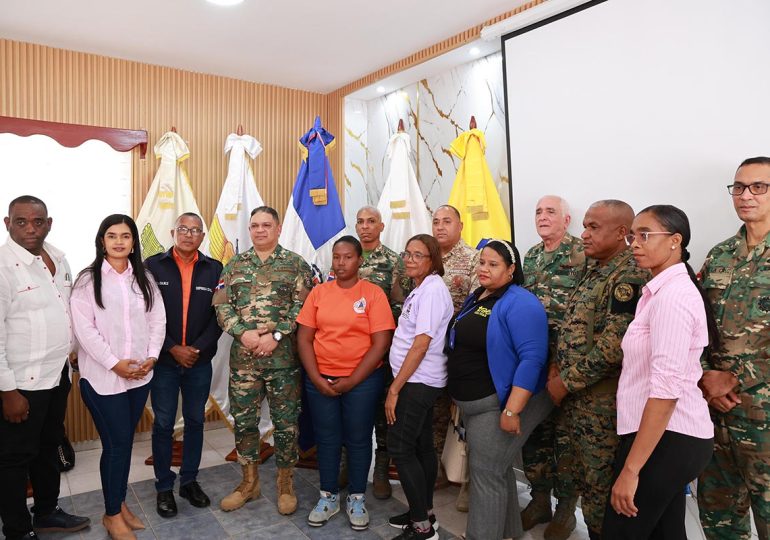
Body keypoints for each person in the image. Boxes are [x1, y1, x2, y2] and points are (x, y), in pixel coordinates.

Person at [602, 205, 715, 538]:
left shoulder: (673, 298)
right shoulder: (659, 292)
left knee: (620, 531)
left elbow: (666, 392)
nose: (635, 243)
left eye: (645, 235)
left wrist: (631, 469)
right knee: (666, 533)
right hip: (661, 434)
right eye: (632, 236)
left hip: (669, 437)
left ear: (674, 241)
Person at [545, 200, 648, 539]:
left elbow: (614, 347)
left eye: (593, 227)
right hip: (577, 400)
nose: (584, 235)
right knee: (584, 486)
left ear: (622, 233)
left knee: (602, 493)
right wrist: (558, 367)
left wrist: (565, 383)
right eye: (585, 226)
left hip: (603, 406)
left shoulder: (629, 275)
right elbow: (573, 325)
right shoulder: (594, 268)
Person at [447, 239, 552, 540]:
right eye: (482, 262)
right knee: (497, 469)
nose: (484, 269)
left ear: (511, 269)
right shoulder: (479, 295)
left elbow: (532, 359)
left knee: (487, 474)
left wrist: (512, 409)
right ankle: (510, 533)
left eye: (493, 264)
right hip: (475, 402)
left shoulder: (521, 302)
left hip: (499, 403)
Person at [70, 214, 165, 540]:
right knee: (117, 446)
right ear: (102, 241)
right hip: (102, 379)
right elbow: (85, 330)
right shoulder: (87, 281)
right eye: (112, 236)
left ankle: (119, 504)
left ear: (134, 242)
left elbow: (157, 321)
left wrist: (151, 357)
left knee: (121, 446)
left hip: (139, 377)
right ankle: (112, 515)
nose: (119, 241)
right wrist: (114, 363)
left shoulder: (145, 279)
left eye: (126, 236)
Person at [0, 195, 90, 540]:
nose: (30, 229)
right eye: (21, 222)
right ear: (8, 224)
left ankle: (47, 512)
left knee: (48, 446)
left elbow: (66, 311)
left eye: (37, 222)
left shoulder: (59, 258)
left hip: (57, 377)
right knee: (13, 459)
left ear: (48, 223)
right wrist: (8, 391)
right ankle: (18, 529)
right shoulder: (4, 266)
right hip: (21, 385)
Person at [214, 206, 312, 515]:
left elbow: (305, 306)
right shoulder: (234, 265)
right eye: (254, 225)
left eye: (266, 225)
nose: (259, 230)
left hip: (283, 360)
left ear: (278, 228)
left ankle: (285, 484)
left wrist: (278, 335)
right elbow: (221, 305)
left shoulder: (295, 264)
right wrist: (243, 333)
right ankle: (249, 483)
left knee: (285, 426)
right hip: (244, 361)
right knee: (245, 424)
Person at [297, 235, 395, 530]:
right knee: (326, 438)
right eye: (336, 257)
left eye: (347, 257)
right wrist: (316, 378)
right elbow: (304, 338)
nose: (340, 263)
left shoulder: (373, 294)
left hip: (362, 381)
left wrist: (351, 380)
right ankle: (328, 496)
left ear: (359, 261)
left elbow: (381, 343)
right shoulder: (319, 293)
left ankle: (355, 497)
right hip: (320, 379)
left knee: (358, 438)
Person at [698, 156, 770, 540]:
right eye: (739, 187)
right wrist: (706, 376)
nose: (746, 195)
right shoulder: (720, 254)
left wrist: (735, 379)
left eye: (759, 186)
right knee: (719, 518)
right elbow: (697, 323)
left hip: (764, 417)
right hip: (714, 414)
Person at [145, 212, 223, 518]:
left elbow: (221, 316)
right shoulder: (152, 266)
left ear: (202, 237)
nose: (189, 234)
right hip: (164, 361)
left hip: (199, 362)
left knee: (195, 422)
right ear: (173, 232)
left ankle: (189, 480)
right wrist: (172, 348)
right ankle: (164, 486)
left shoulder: (215, 268)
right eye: (183, 229)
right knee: (163, 423)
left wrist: (197, 349)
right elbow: (145, 314)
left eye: (195, 230)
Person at [521, 195, 584, 539]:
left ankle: (565, 511)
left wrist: (561, 362)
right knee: (534, 434)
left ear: (566, 219)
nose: (543, 217)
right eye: (538, 212)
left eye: (550, 212)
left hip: (567, 366)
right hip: (533, 361)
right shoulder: (530, 256)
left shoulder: (582, 254)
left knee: (565, 439)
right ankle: (538, 500)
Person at [385, 234, 453, 540]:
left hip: (416, 381)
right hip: (417, 380)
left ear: (433, 260)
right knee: (421, 446)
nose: (410, 260)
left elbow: (421, 345)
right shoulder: (423, 288)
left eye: (418, 255)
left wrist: (395, 388)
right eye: (407, 254)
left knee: (400, 447)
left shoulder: (432, 292)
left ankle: (422, 528)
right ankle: (424, 512)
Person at [352, 206, 411, 499]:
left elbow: (401, 306)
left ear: (381, 226)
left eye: (371, 222)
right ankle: (347, 464)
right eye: (360, 222)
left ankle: (381, 469)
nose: (365, 227)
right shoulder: (346, 256)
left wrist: (375, 325)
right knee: (350, 408)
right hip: (347, 350)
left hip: (381, 349)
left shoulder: (393, 262)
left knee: (381, 411)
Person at [431, 204, 478, 509]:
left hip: (462, 350)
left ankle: (470, 483)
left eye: (447, 221)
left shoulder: (474, 259)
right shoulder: (426, 258)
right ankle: (436, 469)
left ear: (460, 225)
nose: (440, 227)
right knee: (434, 412)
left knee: (469, 418)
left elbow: (475, 305)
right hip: (430, 352)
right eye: (435, 221)